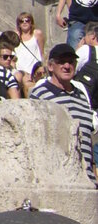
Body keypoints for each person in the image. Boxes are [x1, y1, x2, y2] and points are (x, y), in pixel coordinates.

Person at [30, 44, 96, 182]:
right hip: (57, 179)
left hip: (86, 180)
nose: (67, 66)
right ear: (50, 66)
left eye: (71, 62)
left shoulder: (82, 97)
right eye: (61, 62)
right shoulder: (40, 95)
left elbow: (87, 140)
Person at [15, 12, 45, 76]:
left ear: (31, 22)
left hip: (34, 69)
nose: (24, 22)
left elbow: (42, 52)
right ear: (19, 24)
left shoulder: (37, 33)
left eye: (27, 20)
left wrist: (43, 66)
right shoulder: (15, 35)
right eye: (21, 21)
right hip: (20, 69)